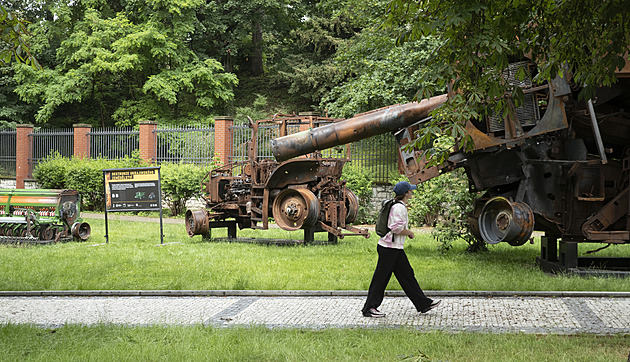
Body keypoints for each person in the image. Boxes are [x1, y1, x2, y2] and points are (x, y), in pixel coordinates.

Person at [362, 181, 441, 318]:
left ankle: (423, 304)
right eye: (410, 191)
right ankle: (369, 308)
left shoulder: (397, 205)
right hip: (389, 249)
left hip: (394, 248)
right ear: (405, 193)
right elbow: (396, 228)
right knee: (380, 279)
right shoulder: (399, 208)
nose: (412, 192)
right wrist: (409, 232)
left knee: (407, 275)